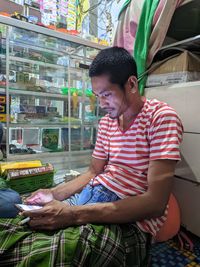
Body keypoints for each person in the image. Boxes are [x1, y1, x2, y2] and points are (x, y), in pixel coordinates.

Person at [23, 47, 183, 241]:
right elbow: (93, 172)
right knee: (27, 226)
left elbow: (155, 203)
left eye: (106, 95)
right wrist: (53, 193)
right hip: (92, 197)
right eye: (97, 95)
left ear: (131, 84)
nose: (101, 104)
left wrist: (74, 214)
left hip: (129, 218)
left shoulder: (160, 118)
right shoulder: (107, 122)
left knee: (55, 250)